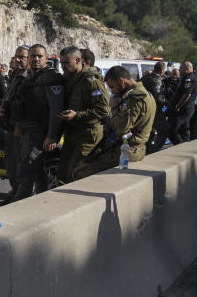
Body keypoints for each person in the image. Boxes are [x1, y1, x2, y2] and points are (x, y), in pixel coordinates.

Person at [72, 66, 155, 180]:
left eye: (112, 87)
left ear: (121, 81)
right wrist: (109, 120)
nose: (112, 91)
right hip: (128, 147)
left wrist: (114, 107)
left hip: (128, 150)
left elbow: (122, 128)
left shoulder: (135, 97)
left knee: (80, 172)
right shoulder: (141, 94)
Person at [11, 44, 64, 200]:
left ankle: (17, 207)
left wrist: (52, 136)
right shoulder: (31, 78)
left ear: (46, 58)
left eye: (39, 56)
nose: (36, 59)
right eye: (33, 56)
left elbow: (56, 109)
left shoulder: (51, 78)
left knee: (26, 172)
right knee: (38, 173)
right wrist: (19, 125)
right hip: (28, 132)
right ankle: (41, 204)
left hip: (40, 134)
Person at [56, 46, 110, 184]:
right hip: (72, 133)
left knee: (75, 173)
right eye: (61, 63)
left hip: (88, 134)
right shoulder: (69, 79)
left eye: (67, 63)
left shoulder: (92, 82)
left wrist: (78, 115)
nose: (63, 66)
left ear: (79, 60)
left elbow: (103, 110)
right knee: (62, 173)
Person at [0, 46, 29, 197]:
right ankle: (14, 192)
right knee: (10, 163)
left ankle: (19, 196)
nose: (17, 60)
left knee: (19, 164)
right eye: (16, 56)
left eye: (22, 57)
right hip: (10, 126)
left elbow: (30, 106)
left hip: (20, 130)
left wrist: (19, 125)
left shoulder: (29, 78)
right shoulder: (16, 77)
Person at [140, 61, 169, 153]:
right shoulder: (157, 80)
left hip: (144, 108)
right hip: (157, 109)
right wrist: (169, 105)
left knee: (149, 130)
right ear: (162, 70)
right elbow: (159, 97)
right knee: (163, 130)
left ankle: (147, 149)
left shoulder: (145, 78)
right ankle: (152, 151)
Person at [169, 61, 197, 144]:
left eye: (181, 68)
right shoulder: (185, 78)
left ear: (187, 69)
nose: (179, 70)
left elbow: (187, 94)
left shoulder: (189, 79)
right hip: (184, 108)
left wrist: (178, 106)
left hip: (184, 108)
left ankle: (180, 145)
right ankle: (185, 145)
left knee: (174, 128)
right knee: (184, 130)